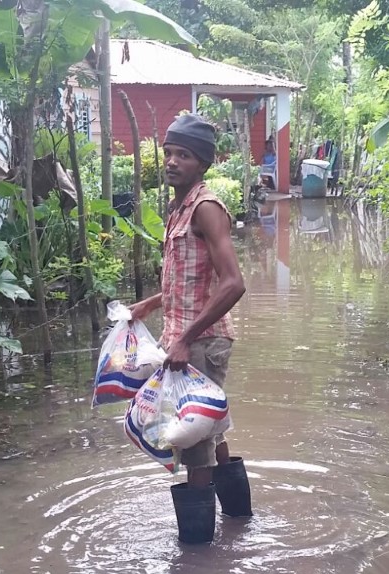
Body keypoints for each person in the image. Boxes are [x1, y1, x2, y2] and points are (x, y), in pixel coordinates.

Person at [129, 114, 250, 544]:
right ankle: (239, 521)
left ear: (202, 163)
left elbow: (233, 283)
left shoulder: (206, 208)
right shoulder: (178, 209)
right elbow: (188, 282)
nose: (172, 162)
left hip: (201, 342)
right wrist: (149, 304)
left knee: (195, 447)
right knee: (212, 430)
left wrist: (184, 338)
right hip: (188, 338)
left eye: (184, 155)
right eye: (169, 153)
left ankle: (197, 560)